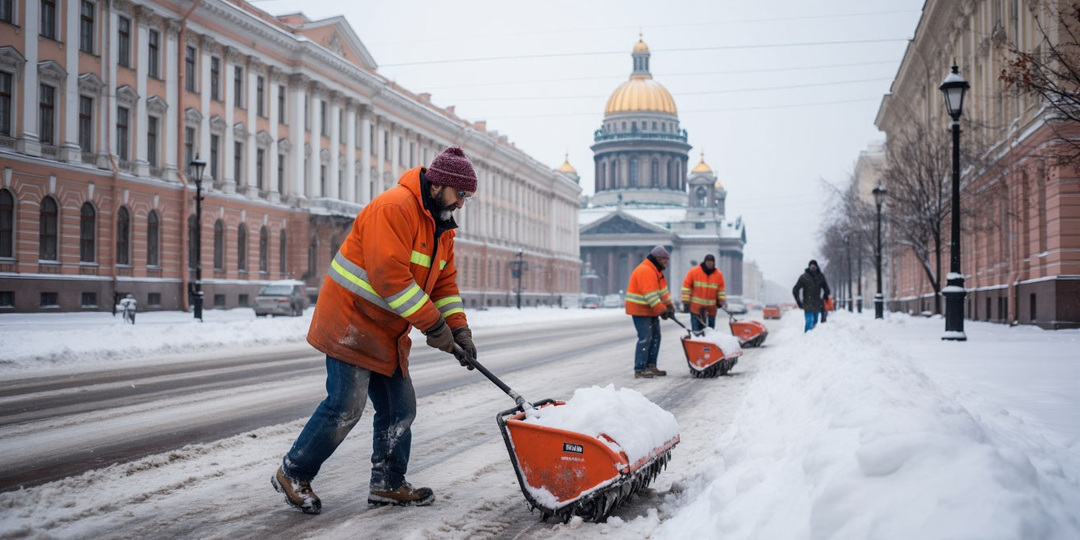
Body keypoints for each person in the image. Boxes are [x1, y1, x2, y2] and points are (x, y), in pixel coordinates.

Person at [272, 147, 478, 514]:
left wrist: (460, 331)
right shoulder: (395, 208)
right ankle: (293, 472)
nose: (462, 203)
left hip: (386, 330)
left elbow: (444, 285)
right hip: (350, 321)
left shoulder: (441, 227)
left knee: (400, 409)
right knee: (345, 406)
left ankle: (388, 484)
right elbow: (391, 279)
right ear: (441, 184)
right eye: (460, 194)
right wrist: (434, 326)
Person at [625, 246, 676, 378]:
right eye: (665, 261)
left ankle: (651, 365)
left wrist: (669, 306)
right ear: (658, 259)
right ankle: (640, 368)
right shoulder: (646, 270)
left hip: (650, 310)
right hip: (640, 310)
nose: (667, 264)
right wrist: (662, 310)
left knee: (655, 337)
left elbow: (663, 292)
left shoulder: (657, 271)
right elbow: (650, 295)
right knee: (645, 338)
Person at [680, 254, 726, 331]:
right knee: (696, 331)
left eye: (711, 263)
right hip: (696, 308)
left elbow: (721, 290)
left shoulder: (718, 275)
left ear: (714, 263)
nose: (710, 264)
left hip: (711, 309)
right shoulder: (694, 272)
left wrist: (720, 300)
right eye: (708, 262)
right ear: (704, 262)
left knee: (711, 332)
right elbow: (686, 287)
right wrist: (686, 302)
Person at [792, 259, 830, 332]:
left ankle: (813, 340)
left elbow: (826, 288)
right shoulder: (804, 277)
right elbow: (795, 290)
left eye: (814, 266)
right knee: (809, 322)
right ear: (809, 267)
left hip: (817, 303)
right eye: (811, 266)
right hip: (807, 303)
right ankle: (807, 338)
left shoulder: (820, 277)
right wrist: (799, 302)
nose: (813, 267)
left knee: (815, 322)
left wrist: (825, 295)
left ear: (816, 266)